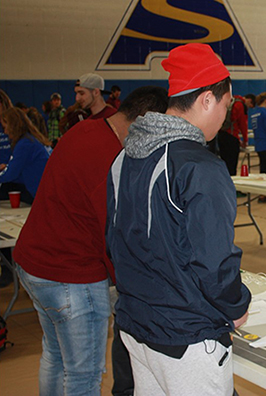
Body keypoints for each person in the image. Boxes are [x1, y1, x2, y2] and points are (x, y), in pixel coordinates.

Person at [105, 43, 251, 396]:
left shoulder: (125, 157)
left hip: (136, 327)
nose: (225, 116)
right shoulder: (201, 167)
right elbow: (214, 263)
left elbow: (115, 241)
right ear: (206, 99)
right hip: (186, 338)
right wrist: (238, 305)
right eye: (226, 105)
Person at [13, 86, 169, 396]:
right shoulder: (111, 160)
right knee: (84, 376)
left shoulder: (86, 128)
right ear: (144, 120)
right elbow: (115, 238)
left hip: (33, 263)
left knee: (55, 357)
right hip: (70, 276)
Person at [0, 108, 51, 203]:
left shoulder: (24, 144)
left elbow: (12, 174)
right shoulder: (29, 140)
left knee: (5, 188)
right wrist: (7, 167)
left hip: (37, 192)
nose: (5, 132)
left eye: (5, 128)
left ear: (13, 126)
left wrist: (7, 171)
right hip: (40, 189)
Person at [218, 94, 248, 175]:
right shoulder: (239, 105)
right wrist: (245, 140)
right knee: (232, 165)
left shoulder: (228, 102)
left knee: (224, 162)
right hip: (232, 136)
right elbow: (242, 124)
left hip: (221, 134)